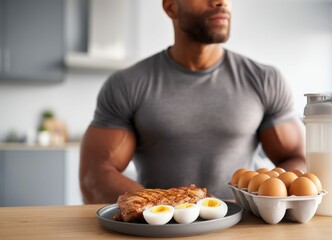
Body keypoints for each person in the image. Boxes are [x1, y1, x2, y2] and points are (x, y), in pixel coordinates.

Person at [79, 0, 306, 204]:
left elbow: (297, 157)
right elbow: (94, 176)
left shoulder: (264, 80)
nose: (220, 2)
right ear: (171, 7)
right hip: (159, 230)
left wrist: (258, 199)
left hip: (241, 228)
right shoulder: (127, 84)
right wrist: (175, 206)